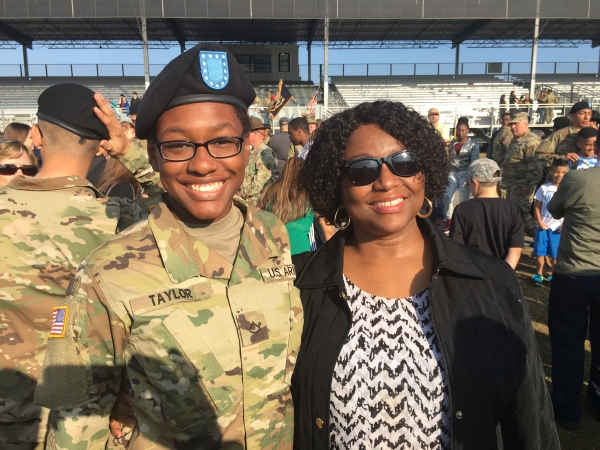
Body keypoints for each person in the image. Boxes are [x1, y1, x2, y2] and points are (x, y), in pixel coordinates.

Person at [35, 42, 302, 450]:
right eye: (178, 145)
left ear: (247, 146)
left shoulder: (274, 235)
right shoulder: (106, 273)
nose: (202, 163)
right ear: (154, 157)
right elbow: (76, 427)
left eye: (223, 141)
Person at [292, 100, 559, 450]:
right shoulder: (297, 284)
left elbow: (530, 416)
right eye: (362, 169)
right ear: (336, 183)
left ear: (425, 171)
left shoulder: (490, 281)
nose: (387, 182)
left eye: (404, 163)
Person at [0, 83, 156, 450]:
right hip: (83, 427)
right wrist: (129, 153)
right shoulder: (119, 219)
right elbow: (189, 214)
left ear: (36, 136)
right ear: (101, 145)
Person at [546, 127, 600, 429]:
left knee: (568, 342)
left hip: (573, 274)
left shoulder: (578, 178)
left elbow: (554, 208)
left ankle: (567, 408)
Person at [450, 159, 524, 269]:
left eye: (468, 183)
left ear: (475, 183)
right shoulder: (513, 209)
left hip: (472, 273)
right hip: (503, 274)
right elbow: (515, 250)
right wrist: (505, 276)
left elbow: (457, 248)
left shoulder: (462, 209)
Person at [258, 157, 318, 255]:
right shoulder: (309, 195)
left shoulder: (269, 191)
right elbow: (327, 231)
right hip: (302, 253)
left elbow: (256, 217)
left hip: (274, 252)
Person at [501, 112, 542, 236]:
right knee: (511, 212)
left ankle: (540, 240)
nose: (512, 127)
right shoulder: (516, 139)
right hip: (510, 184)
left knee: (523, 213)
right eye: (511, 124)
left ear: (525, 124)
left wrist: (528, 185)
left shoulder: (531, 142)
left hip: (521, 185)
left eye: (516, 124)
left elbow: (535, 167)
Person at [531, 159, 569, 287]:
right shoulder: (544, 188)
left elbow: (569, 210)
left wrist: (564, 225)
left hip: (557, 229)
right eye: (557, 172)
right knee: (540, 253)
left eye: (564, 172)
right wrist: (540, 223)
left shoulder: (568, 190)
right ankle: (538, 275)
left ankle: (553, 275)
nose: (560, 175)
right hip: (543, 227)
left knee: (555, 255)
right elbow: (537, 206)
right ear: (551, 172)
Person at [443, 121, 479, 232]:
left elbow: (474, 162)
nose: (460, 132)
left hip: (465, 173)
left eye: (463, 130)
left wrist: (471, 176)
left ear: (467, 131)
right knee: (447, 196)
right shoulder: (453, 143)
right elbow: (449, 158)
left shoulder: (473, 144)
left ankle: (463, 222)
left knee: (464, 200)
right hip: (452, 172)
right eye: (459, 130)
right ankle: (449, 220)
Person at [536, 101, 593, 170]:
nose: (586, 117)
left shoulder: (595, 135)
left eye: (589, 114)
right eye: (582, 113)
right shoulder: (560, 135)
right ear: (572, 115)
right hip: (563, 178)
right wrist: (562, 158)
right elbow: (539, 156)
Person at [240, 117, 277, 206]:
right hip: (247, 201)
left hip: (258, 203)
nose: (244, 135)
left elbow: (261, 182)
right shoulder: (252, 152)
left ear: (255, 134)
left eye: (246, 133)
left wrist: (242, 194)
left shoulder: (265, 153)